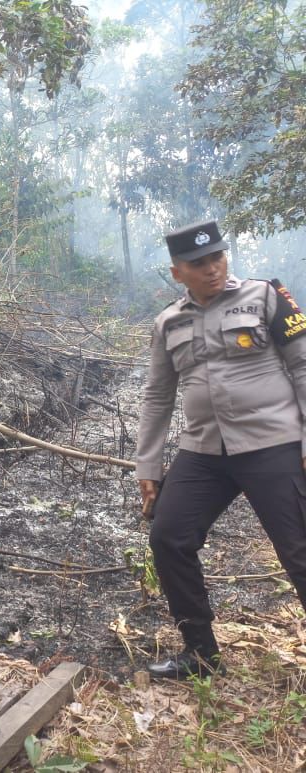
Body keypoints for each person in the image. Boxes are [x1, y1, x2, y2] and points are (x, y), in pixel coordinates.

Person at [136, 219, 306, 680]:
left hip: (273, 442)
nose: (211, 269)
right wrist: (147, 465)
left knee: (298, 550)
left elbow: (302, 365)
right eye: (197, 263)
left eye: (217, 257)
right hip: (205, 450)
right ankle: (200, 654)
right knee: (169, 537)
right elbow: (157, 396)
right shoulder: (169, 321)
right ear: (178, 273)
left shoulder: (266, 296)